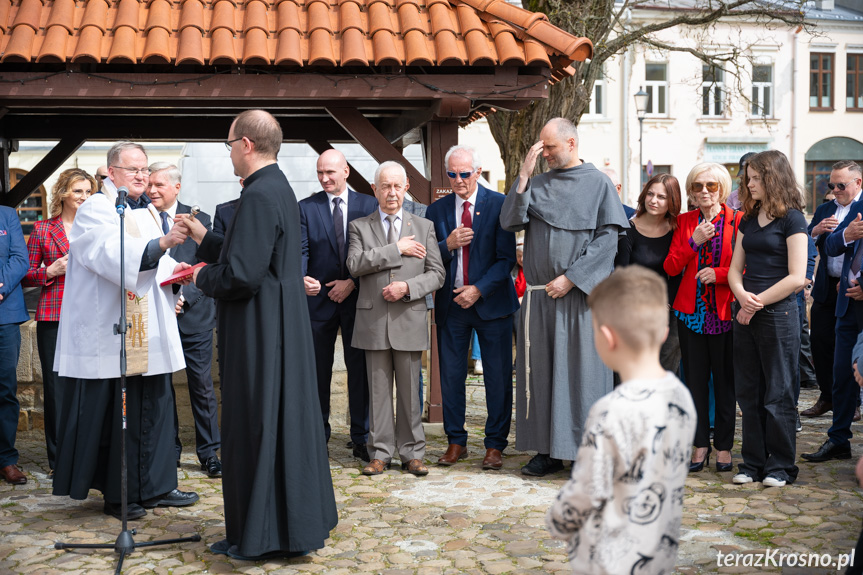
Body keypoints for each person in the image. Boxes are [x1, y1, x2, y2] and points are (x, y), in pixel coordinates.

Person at [177, 110, 337, 561]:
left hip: (258, 332)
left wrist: (199, 277)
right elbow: (248, 252)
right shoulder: (274, 187)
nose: (228, 152)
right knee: (275, 426)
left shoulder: (260, 195)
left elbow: (242, 274)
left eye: (229, 143)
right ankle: (276, 529)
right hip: (274, 326)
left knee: (255, 427)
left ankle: (259, 534)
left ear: (246, 144)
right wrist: (206, 238)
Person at [52, 142, 198, 520]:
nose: (140, 176)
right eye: (131, 169)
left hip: (150, 330)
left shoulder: (147, 211)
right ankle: (121, 495)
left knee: (156, 407)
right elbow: (107, 256)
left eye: (144, 170)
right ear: (111, 172)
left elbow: (160, 264)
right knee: (124, 415)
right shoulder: (96, 210)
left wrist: (180, 275)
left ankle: (157, 486)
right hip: (113, 331)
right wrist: (162, 244)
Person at [500, 117, 629, 476]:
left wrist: (572, 278)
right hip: (542, 298)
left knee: (582, 375)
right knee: (540, 374)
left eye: (550, 148)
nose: (544, 155)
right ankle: (547, 451)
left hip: (581, 297)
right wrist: (524, 176)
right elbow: (509, 221)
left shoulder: (600, 185)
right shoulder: (536, 183)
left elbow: (607, 242)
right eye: (540, 149)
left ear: (571, 143)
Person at [547, 266, 696, 575]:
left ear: (606, 337)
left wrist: (558, 519)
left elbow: (586, 492)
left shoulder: (609, 410)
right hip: (659, 551)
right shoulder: (681, 397)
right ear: (665, 331)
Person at [346, 161, 445, 477]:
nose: (391, 192)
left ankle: (412, 454)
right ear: (374, 189)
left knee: (409, 393)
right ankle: (380, 453)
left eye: (397, 186)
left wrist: (407, 287)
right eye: (385, 186)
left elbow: (437, 274)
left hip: (409, 317)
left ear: (406, 189)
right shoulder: (360, 226)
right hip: (373, 323)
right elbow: (355, 265)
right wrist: (395, 248)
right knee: (377, 393)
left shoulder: (424, 226)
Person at [426, 145, 519, 470]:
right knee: (451, 377)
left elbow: (507, 259)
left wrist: (478, 289)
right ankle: (456, 442)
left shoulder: (499, 204)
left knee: (496, 378)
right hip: (452, 306)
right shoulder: (436, 211)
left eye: (464, 174)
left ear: (478, 172)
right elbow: (427, 257)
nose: (458, 180)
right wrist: (446, 246)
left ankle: (495, 446)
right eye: (452, 174)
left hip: (492, 305)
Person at [728, 150, 808, 487]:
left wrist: (753, 303)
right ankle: (752, 464)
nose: (749, 183)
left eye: (756, 178)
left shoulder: (793, 220)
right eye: (748, 177)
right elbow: (734, 269)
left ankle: (780, 467)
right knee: (749, 393)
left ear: (773, 178)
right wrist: (741, 297)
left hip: (777, 315)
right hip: (746, 314)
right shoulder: (747, 218)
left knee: (779, 393)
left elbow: (797, 277)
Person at [299, 149, 378, 462]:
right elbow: (300, 250)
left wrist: (353, 283)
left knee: (360, 372)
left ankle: (361, 437)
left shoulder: (369, 204)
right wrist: (301, 277)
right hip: (317, 302)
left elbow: (377, 253)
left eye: (330, 172)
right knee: (317, 372)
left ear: (346, 171)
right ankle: (317, 435)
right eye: (320, 172)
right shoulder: (306, 207)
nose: (324, 178)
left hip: (359, 301)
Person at [664, 163, 741, 474]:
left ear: (722, 188)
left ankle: (723, 447)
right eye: (698, 186)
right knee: (694, 381)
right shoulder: (684, 223)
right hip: (692, 314)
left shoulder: (738, 222)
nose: (705, 191)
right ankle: (699, 444)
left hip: (725, 313)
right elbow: (670, 267)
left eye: (711, 185)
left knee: (725, 382)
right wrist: (693, 240)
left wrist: (721, 275)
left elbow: (747, 268)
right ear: (691, 192)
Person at [147, 162, 222, 478]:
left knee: (201, 385)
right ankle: (169, 451)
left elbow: (210, 263)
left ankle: (209, 453)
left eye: (159, 185)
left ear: (176, 187)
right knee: (159, 387)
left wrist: (184, 297)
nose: (152, 190)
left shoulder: (200, 220)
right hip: (155, 315)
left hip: (194, 315)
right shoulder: (142, 219)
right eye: (149, 184)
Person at [22, 168, 95, 476]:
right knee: (56, 389)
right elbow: (25, 273)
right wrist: (50, 271)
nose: (84, 197)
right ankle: (59, 461)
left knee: (89, 386)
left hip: (92, 316)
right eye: (78, 191)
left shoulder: (97, 229)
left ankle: (89, 457)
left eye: (89, 192)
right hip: (53, 315)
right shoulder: (42, 229)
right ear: (63, 193)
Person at [806, 160, 863, 463]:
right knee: (841, 372)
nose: (836, 190)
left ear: (858, 182)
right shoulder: (829, 210)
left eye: (842, 185)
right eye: (832, 185)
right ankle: (839, 440)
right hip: (839, 300)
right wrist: (844, 235)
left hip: (859, 297)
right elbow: (828, 247)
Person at [615, 173, 683, 373]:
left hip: (666, 310)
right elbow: (622, 274)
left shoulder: (675, 230)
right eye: (650, 194)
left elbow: (677, 273)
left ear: (672, 201)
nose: (654, 200)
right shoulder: (628, 229)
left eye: (661, 197)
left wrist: (666, 305)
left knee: (664, 371)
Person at [0, 208, 31, 485]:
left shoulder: (7, 215)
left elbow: (20, 259)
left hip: (4, 313)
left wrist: (0, 286)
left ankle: (6, 459)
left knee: (5, 388)